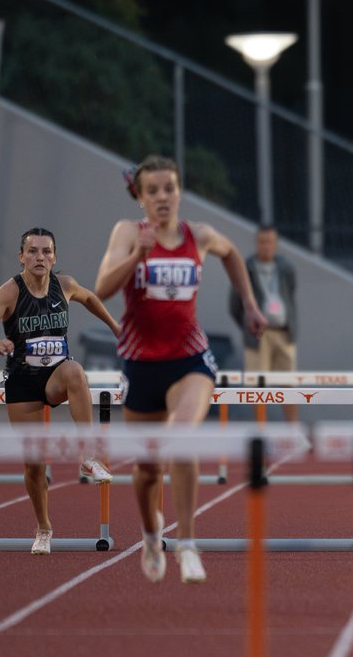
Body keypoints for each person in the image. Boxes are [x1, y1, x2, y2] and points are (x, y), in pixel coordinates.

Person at [95, 155, 267, 583]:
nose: (163, 197)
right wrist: (137, 256)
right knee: (148, 469)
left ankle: (188, 544)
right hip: (140, 363)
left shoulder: (199, 235)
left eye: (169, 188)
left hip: (190, 359)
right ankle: (152, 534)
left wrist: (249, 304)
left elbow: (232, 254)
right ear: (140, 197)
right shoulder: (126, 232)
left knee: (183, 436)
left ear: (179, 191)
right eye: (152, 190)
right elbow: (102, 287)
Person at [0, 227, 121, 555]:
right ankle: (43, 528)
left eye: (46, 251)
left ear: (54, 257)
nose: (40, 257)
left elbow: (90, 299)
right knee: (35, 465)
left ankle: (87, 455)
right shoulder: (10, 292)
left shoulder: (64, 285)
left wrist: (116, 327)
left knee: (76, 372)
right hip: (23, 382)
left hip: (55, 375)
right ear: (21, 256)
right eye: (33, 251)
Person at [229, 226, 298, 422]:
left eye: (269, 242)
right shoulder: (247, 267)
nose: (266, 246)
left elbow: (290, 293)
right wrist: (248, 326)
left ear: (276, 244)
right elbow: (235, 304)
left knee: (289, 383)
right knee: (258, 386)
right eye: (262, 242)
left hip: (283, 332)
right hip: (257, 335)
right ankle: (261, 429)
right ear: (256, 243)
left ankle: (293, 429)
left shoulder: (285, 268)